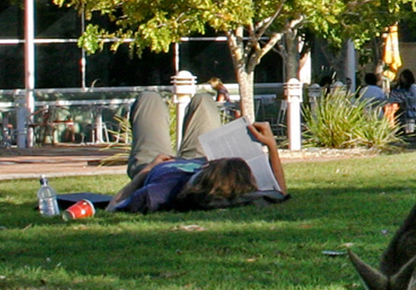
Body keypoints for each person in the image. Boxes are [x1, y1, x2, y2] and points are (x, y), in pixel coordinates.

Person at [107, 88, 289, 214]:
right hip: (198, 158)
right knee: (204, 100)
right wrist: (272, 146)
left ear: (207, 169)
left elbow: (113, 207)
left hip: (158, 164)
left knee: (149, 99)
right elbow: (279, 193)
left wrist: (147, 170)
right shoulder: (239, 193)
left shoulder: (158, 193)